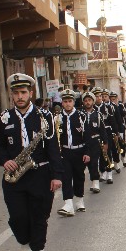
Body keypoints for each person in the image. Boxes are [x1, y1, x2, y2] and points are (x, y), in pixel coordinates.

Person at [0, 73, 63, 251]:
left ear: (31, 93)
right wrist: (4, 160)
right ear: (12, 95)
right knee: (18, 217)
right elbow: (0, 147)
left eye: (23, 92)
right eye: (16, 93)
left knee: (39, 217)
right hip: (15, 177)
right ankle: (24, 246)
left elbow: (53, 148)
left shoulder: (45, 117)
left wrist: (57, 175)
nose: (20, 97)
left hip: (40, 174)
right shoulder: (5, 118)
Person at [55, 89, 93, 217]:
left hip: (79, 151)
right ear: (62, 103)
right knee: (66, 178)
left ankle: (79, 200)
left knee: (79, 177)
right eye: (65, 101)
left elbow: (87, 136)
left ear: (73, 102)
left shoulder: (81, 116)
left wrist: (87, 152)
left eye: (70, 101)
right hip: (65, 152)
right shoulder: (57, 118)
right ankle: (68, 204)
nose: (67, 104)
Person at [80, 90, 107, 193]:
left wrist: (105, 143)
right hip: (82, 143)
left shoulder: (98, 115)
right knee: (83, 164)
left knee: (94, 163)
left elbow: (102, 130)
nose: (87, 102)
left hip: (95, 141)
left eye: (89, 100)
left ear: (93, 101)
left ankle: (95, 182)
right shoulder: (79, 114)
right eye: (85, 100)